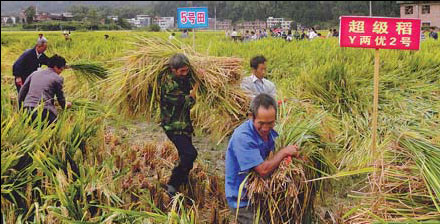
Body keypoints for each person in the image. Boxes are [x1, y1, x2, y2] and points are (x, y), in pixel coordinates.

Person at [225, 93, 301, 224]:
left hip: (261, 195)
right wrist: (284, 152)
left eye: (270, 123)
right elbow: (263, 170)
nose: (266, 128)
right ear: (251, 117)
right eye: (261, 123)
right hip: (243, 200)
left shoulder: (270, 132)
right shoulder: (243, 137)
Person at [159, 53, 201, 196]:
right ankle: (172, 184)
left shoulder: (183, 79)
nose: (185, 73)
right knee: (190, 154)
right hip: (173, 126)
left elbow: (191, 79)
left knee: (186, 156)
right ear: (173, 70)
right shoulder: (169, 86)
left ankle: (181, 181)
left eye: (186, 70)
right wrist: (194, 92)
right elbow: (187, 102)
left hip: (184, 125)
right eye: (181, 71)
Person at [18, 54, 72, 125]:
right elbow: (60, 97)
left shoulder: (34, 73)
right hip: (43, 111)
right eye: (61, 69)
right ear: (56, 67)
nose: (60, 72)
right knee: (54, 130)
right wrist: (65, 105)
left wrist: (20, 108)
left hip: (27, 109)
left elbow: (22, 92)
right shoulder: (57, 78)